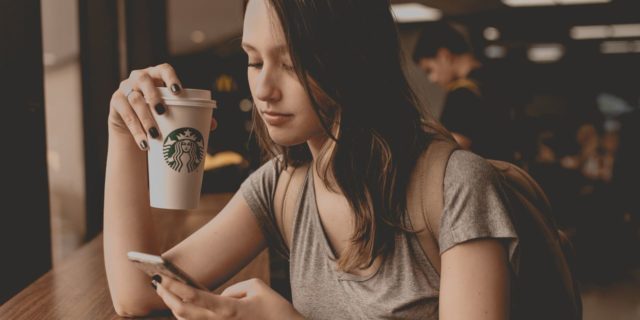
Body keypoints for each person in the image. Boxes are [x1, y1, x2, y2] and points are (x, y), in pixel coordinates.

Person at [104, 0, 520, 319]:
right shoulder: (282, 185)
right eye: (253, 59)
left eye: (291, 63)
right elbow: (137, 293)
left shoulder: (456, 185)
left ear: (354, 60)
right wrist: (123, 131)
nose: (263, 88)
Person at [412, 22, 512, 161]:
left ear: (444, 55)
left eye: (430, 70)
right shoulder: (498, 79)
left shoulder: (461, 94)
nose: (432, 79)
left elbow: (452, 151)